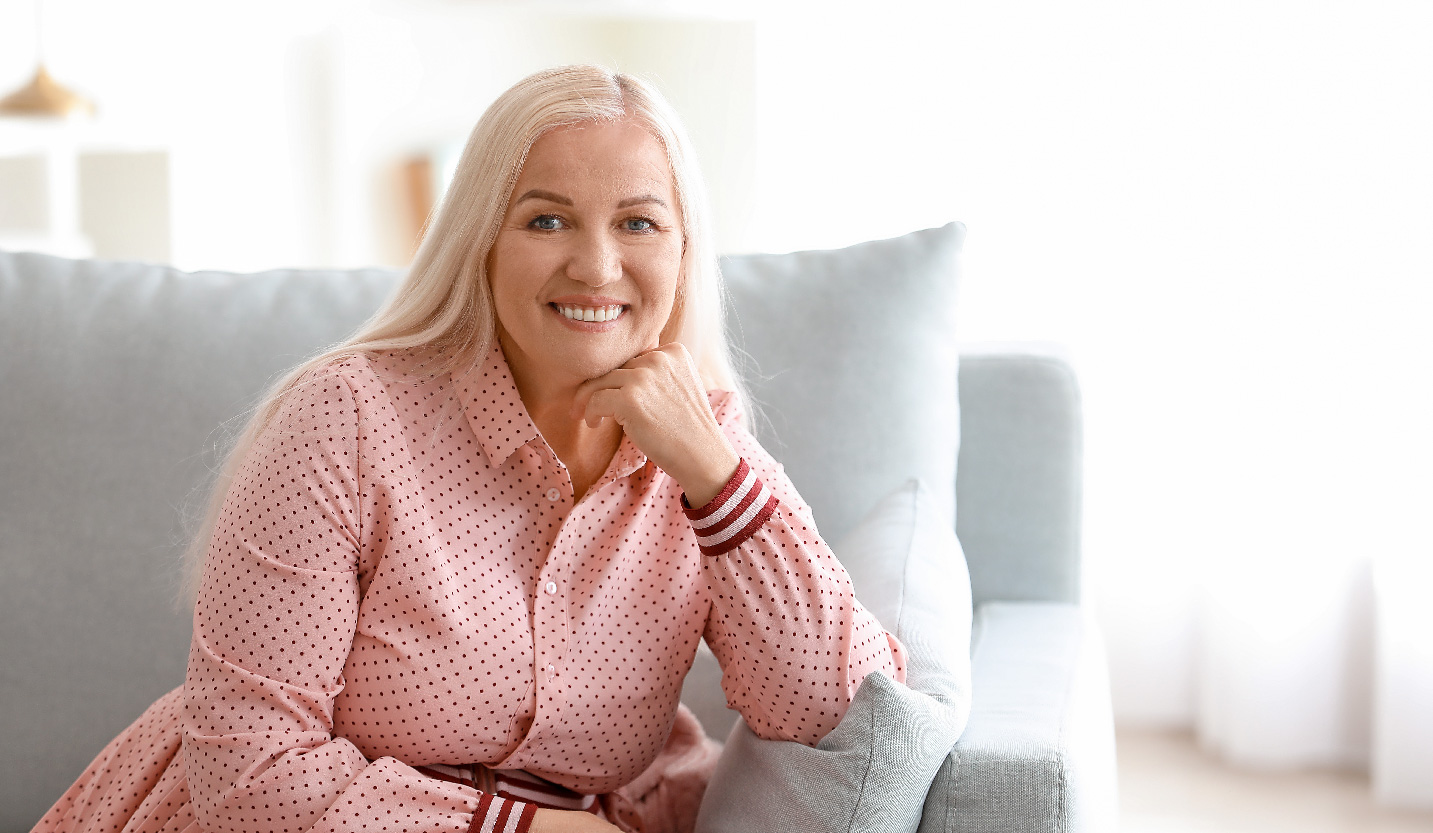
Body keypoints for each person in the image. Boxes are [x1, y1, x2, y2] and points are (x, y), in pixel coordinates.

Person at [32, 65, 905, 833]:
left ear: (682, 249)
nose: (597, 267)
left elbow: (840, 709)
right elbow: (247, 768)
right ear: (482, 239)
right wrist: (521, 829)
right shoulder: (346, 419)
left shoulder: (704, 452)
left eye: (638, 223)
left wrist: (716, 479)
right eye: (547, 220)